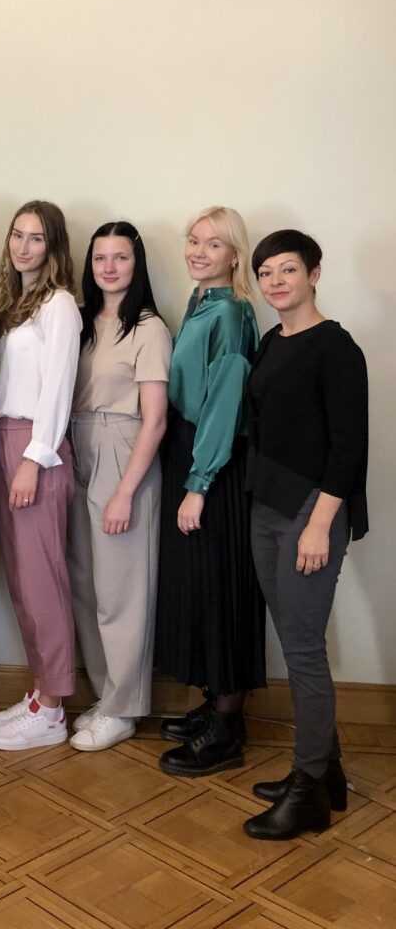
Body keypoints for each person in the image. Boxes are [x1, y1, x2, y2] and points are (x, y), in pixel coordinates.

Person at [242, 230, 368, 839]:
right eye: (266, 273)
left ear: (314, 273)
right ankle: (330, 775)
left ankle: (308, 788)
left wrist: (320, 524)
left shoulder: (337, 348)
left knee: (303, 651)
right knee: (294, 641)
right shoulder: (271, 342)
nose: (275, 282)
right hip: (267, 508)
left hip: (311, 515)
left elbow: (349, 448)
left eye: (287, 270)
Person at [155, 206, 265, 777]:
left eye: (213, 245)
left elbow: (224, 402)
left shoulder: (234, 313)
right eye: (193, 240)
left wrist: (199, 485)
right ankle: (214, 707)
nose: (198, 251)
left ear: (234, 255)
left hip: (213, 463)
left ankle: (227, 727)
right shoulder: (201, 303)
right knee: (198, 585)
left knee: (222, 586)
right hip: (190, 450)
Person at [66, 222, 171, 751]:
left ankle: (126, 706)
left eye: (121, 258)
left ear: (137, 264)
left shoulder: (149, 328)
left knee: (120, 590)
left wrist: (126, 491)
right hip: (78, 444)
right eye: (100, 257)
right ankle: (106, 696)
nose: (109, 267)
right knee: (85, 585)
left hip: (123, 449)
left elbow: (155, 420)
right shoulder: (82, 322)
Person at [0, 201, 81, 751]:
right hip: (3, 437)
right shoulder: (16, 304)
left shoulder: (60, 305)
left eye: (36, 238)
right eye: (17, 235)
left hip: (34, 447)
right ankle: (40, 689)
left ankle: (54, 707)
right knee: (20, 578)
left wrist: (33, 457)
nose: (23, 246)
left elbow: (59, 386)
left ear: (53, 246)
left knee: (43, 581)